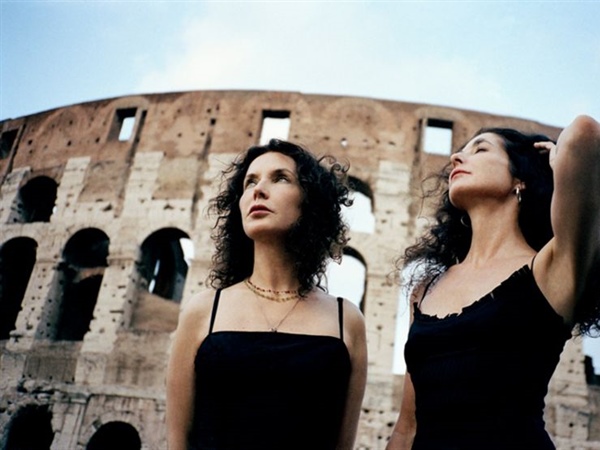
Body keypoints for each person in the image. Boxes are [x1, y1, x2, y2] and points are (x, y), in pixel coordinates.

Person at [386, 115, 600, 450]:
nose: (456, 158)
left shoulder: (550, 270)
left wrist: (555, 163)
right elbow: (406, 427)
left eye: (480, 149)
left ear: (521, 178)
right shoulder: (426, 289)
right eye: (459, 152)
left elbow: (585, 134)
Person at [166, 139, 368, 450]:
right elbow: (177, 443)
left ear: (309, 201)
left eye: (280, 178)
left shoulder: (347, 320)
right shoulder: (203, 311)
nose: (258, 190)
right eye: (250, 182)